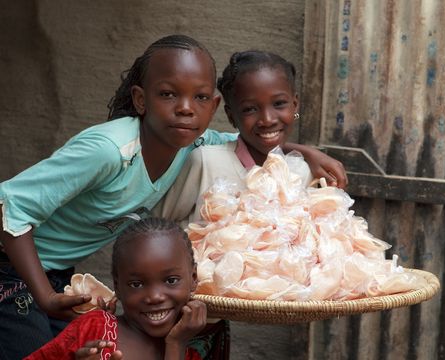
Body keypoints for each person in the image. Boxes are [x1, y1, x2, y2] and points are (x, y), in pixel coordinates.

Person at [0, 35, 345, 359]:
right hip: (12, 267)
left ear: (214, 106)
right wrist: (44, 295)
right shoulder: (109, 151)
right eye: (168, 94)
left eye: (199, 97)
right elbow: (8, 205)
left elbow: (250, 134)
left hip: (56, 272)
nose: (185, 108)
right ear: (140, 99)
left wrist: (304, 152)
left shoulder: (190, 141)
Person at [153, 50, 325, 223]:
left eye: (279, 104)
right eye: (250, 109)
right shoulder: (206, 162)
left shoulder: (301, 172)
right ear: (231, 116)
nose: (267, 120)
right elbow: (155, 225)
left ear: (295, 105)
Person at [25, 217, 207, 360]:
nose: (155, 296)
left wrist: (176, 345)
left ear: (193, 279)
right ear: (117, 286)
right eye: (137, 284)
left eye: (171, 280)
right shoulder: (95, 329)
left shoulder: (189, 355)